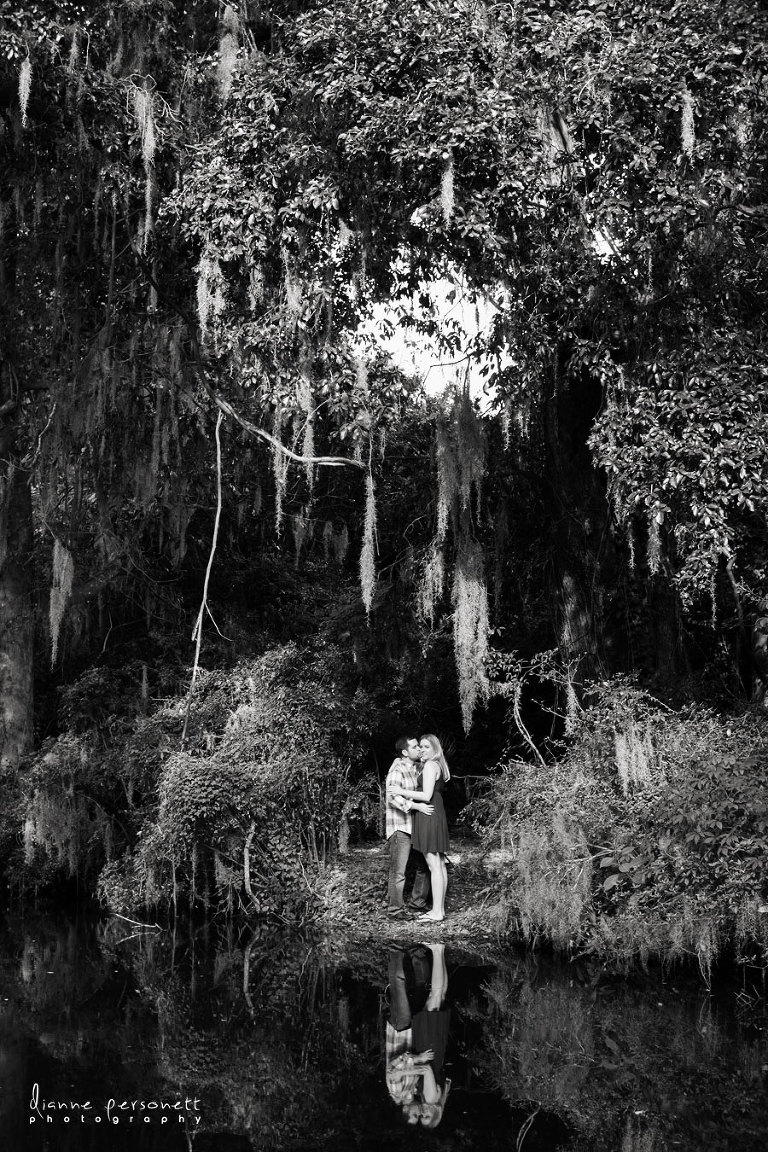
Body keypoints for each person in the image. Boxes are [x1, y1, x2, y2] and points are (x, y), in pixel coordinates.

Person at [385, 943, 452, 1130]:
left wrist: (403, 1070)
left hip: (426, 1045)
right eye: (425, 1116)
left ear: (406, 1111)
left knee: (438, 997)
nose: (422, 1112)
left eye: (418, 1115)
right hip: (429, 1047)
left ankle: (439, 951)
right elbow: (424, 1070)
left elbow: (395, 1067)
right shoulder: (431, 1099)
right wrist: (407, 1069)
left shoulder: (410, 1094)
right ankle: (438, 950)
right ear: (434, 1113)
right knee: (435, 997)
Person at [388, 734, 450, 922]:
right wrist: (396, 760)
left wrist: (401, 792)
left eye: (424, 746)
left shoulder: (429, 765)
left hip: (428, 815)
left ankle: (437, 912)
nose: (421, 750)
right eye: (418, 747)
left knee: (434, 865)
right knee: (437, 864)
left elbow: (425, 794)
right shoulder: (420, 766)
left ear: (434, 749)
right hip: (421, 817)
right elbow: (394, 791)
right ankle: (436, 910)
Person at [385, 735, 433, 921]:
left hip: (415, 827)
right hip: (400, 828)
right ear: (404, 752)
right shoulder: (397, 770)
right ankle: (395, 910)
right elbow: (393, 798)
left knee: (424, 866)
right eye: (414, 747)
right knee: (398, 871)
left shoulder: (416, 768)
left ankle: (417, 903)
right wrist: (416, 806)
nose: (419, 749)